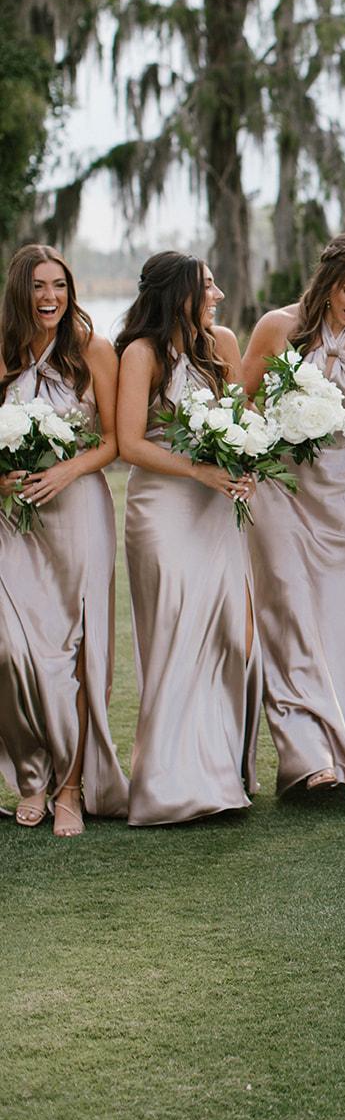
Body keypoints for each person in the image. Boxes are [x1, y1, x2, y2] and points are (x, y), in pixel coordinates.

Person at [242, 233, 345, 801]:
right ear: (327, 282)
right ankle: (309, 758)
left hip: (339, 493)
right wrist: (263, 441)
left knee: (340, 620)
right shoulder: (278, 327)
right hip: (278, 489)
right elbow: (242, 399)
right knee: (289, 612)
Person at [116, 252, 261, 825]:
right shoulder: (141, 353)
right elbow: (130, 443)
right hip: (162, 509)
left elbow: (241, 420)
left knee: (233, 636)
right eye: (207, 286)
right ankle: (169, 785)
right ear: (177, 294)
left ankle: (221, 770)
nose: (218, 295)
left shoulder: (222, 344)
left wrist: (246, 461)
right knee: (176, 635)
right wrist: (197, 470)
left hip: (217, 507)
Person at [0, 245, 128, 835]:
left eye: (58, 285)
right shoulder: (4, 352)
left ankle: (70, 786)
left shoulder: (93, 350)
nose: (49, 297)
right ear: (19, 293)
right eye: (37, 286)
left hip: (78, 510)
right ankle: (32, 775)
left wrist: (66, 471)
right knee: (11, 647)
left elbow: (115, 440)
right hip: (16, 517)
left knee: (76, 649)